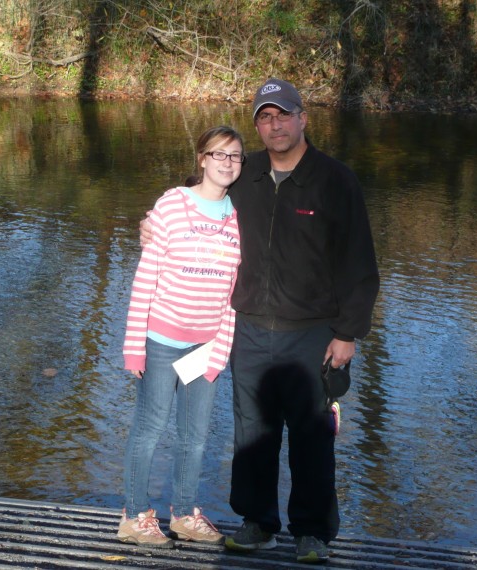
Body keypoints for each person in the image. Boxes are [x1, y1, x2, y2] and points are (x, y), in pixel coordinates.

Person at [140, 78, 379, 563]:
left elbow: (360, 264)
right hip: (248, 329)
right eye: (265, 118)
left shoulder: (335, 180)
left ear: (303, 118)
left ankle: (311, 532)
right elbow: (197, 197)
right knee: (253, 432)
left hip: (312, 333)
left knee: (312, 434)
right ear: (257, 126)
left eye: (283, 115)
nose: (275, 125)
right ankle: (258, 522)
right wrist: (152, 220)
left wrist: (347, 333)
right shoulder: (243, 176)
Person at [118, 125, 245, 548]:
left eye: (235, 157)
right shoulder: (173, 205)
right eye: (219, 155)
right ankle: (134, 516)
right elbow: (145, 277)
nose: (227, 163)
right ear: (202, 159)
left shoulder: (236, 216)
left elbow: (232, 293)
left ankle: (185, 514)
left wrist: (220, 350)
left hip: (205, 345)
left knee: (195, 437)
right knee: (150, 428)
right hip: (161, 340)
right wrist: (134, 346)